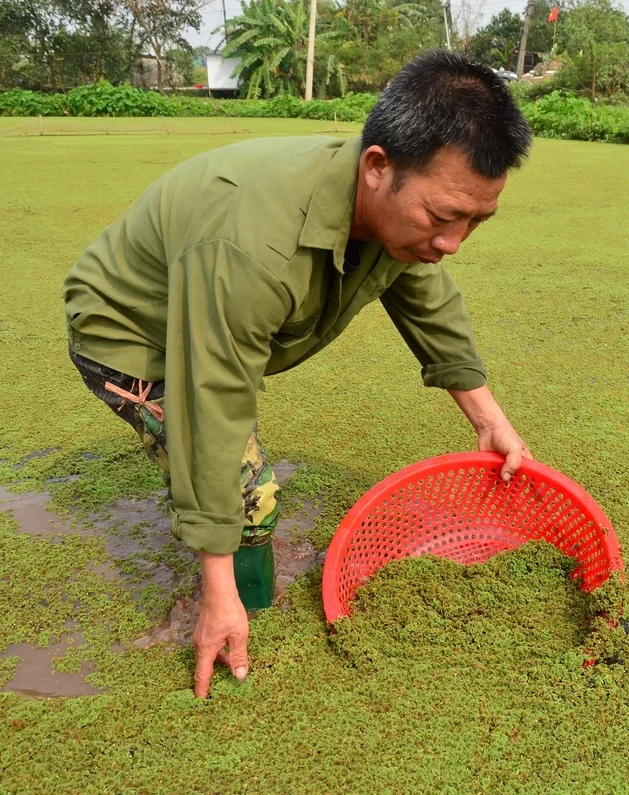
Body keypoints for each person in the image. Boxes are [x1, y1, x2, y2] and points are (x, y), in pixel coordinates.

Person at [63, 50, 535, 699]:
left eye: (476, 221)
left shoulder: (393, 216)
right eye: (442, 216)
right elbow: (212, 395)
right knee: (246, 493)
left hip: (204, 304)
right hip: (130, 331)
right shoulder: (254, 244)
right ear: (378, 167)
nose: (453, 241)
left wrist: (492, 422)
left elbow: (428, 299)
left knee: (239, 476)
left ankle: (239, 582)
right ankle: (237, 608)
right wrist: (215, 587)